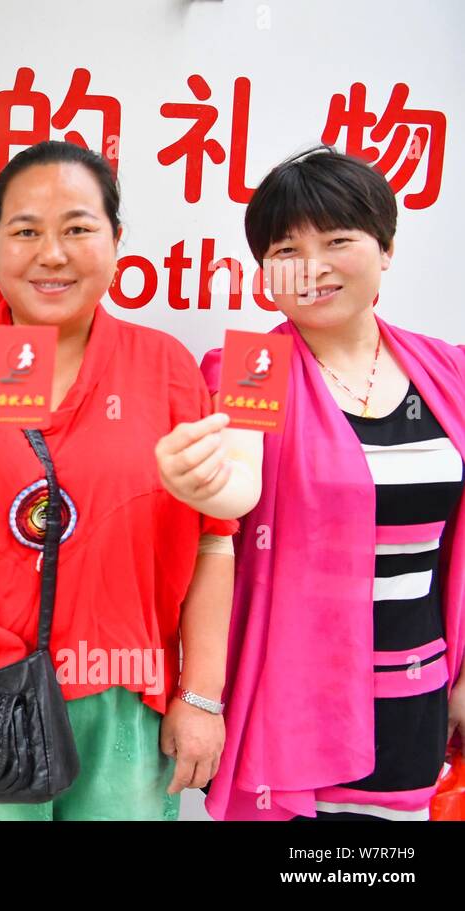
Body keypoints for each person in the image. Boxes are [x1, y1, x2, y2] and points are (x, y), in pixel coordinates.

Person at [0, 140, 261, 821]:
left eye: (78, 228)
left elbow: (212, 542)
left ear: (116, 240)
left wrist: (201, 695)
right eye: (25, 231)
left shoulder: (163, 367)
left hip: (124, 699)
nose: (51, 254)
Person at [195, 147, 465, 821]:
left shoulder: (450, 372)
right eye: (287, 248)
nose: (311, 267)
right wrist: (199, 479)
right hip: (293, 701)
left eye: (338, 240)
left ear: (386, 249)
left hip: (419, 694)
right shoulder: (251, 368)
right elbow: (231, 494)